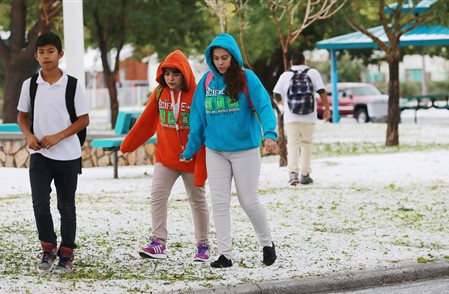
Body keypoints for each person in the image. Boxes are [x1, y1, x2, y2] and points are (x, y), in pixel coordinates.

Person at [181, 33, 277, 268]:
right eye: (216, 58)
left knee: (248, 200)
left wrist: (270, 133)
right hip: (216, 151)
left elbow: (264, 106)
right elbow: (198, 119)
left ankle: (267, 243)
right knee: (220, 202)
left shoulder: (247, 78)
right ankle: (225, 255)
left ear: (233, 57)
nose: (220, 62)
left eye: (225, 58)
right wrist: (190, 148)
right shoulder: (206, 82)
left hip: (245, 150)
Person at [120, 50, 210, 262]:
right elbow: (146, 122)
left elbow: (206, 125)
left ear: (185, 74)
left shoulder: (197, 93)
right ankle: (158, 243)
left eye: (175, 74)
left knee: (197, 201)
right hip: (166, 158)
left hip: (192, 158)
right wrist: (127, 145)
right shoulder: (159, 93)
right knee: (158, 197)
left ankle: (203, 245)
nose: (170, 78)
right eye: (167, 73)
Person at [17, 32, 89, 273]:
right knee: (39, 203)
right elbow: (21, 116)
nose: (45, 56)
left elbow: (83, 120)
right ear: (36, 56)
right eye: (41, 52)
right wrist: (29, 136)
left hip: (68, 155)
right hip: (39, 156)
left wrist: (59, 136)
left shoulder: (73, 85)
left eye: (50, 51)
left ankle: (66, 254)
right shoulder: (30, 85)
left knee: (66, 206)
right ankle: (47, 249)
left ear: (60, 54)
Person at [273, 51, 331, 186]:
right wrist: (327, 109)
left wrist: (283, 103)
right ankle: (305, 175)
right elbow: (322, 91)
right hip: (309, 116)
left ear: (291, 62)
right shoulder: (313, 73)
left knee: (292, 145)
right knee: (306, 145)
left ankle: (293, 174)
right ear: (304, 62)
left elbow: (276, 93)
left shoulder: (285, 75)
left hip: (290, 117)